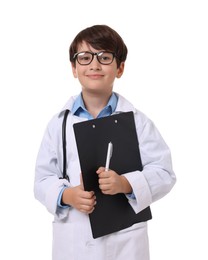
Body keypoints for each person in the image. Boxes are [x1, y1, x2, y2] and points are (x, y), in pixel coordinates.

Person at [34, 24, 176, 260]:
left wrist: (126, 183)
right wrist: (67, 195)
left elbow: (164, 172)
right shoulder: (59, 123)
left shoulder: (138, 122)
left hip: (125, 245)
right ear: (73, 68)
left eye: (105, 57)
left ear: (120, 68)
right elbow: (42, 179)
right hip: (73, 242)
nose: (94, 64)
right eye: (85, 57)